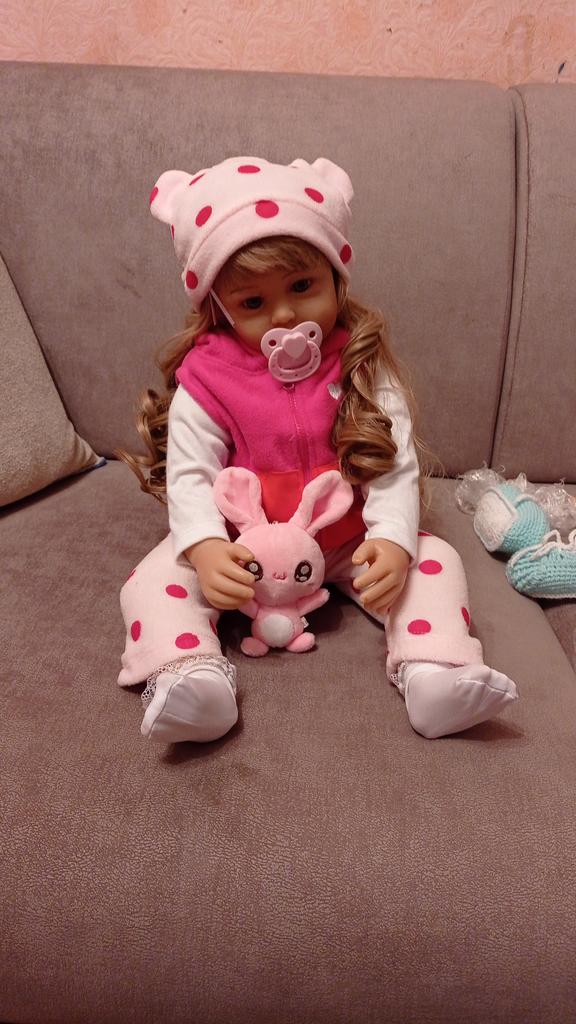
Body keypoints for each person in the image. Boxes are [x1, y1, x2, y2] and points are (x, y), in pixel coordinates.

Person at [116, 154, 519, 743]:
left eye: (302, 287)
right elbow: (190, 473)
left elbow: (393, 462)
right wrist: (204, 548)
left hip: (345, 540)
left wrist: (391, 540)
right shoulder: (207, 377)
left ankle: (436, 673)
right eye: (253, 303)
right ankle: (189, 679)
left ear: (335, 278)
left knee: (435, 563)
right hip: (241, 547)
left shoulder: (359, 360)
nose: (284, 314)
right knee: (151, 582)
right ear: (219, 308)